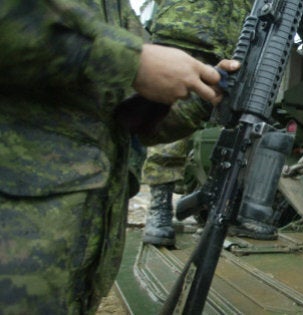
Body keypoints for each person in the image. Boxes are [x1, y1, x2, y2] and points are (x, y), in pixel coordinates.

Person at [0, 0, 239, 313]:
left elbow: (135, 122)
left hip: (74, 257)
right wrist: (132, 62)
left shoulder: (114, 8)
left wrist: (207, 91)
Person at [141, 0, 254, 247]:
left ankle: (216, 204)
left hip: (235, 42)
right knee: (169, 120)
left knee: (232, 130)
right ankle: (160, 207)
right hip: (186, 30)